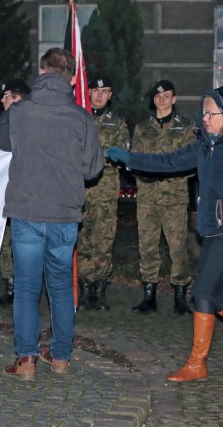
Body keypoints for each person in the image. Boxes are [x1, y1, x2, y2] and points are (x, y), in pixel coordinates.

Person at [106, 84, 223, 382]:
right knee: (215, 295)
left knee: (202, 292)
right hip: (212, 228)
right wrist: (129, 157)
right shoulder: (205, 145)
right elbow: (169, 162)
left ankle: (197, 363)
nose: (205, 117)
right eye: (203, 112)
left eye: (211, 113)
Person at [0, 47, 103, 382]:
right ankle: (60, 358)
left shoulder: (20, 111)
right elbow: (93, 168)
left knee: (26, 287)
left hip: (27, 210)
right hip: (64, 213)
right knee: (59, 287)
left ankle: (26, 359)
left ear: (41, 72)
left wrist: (8, 111)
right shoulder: (81, 117)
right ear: (70, 78)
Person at [129, 79, 196, 315]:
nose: (162, 99)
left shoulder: (186, 128)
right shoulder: (142, 128)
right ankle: (149, 296)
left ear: (174, 99)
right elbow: (134, 159)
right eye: (158, 96)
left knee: (177, 248)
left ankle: (180, 296)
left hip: (174, 197)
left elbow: (191, 163)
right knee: (147, 246)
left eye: (166, 95)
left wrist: (167, 172)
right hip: (147, 196)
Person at [77, 76, 128, 310]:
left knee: (104, 241)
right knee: (82, 240)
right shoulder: (77, 119)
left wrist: (91, 156)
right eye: (95, 90)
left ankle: (99, 289)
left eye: (104, 91)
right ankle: (85, 288)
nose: (99, 95)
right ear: (88, 93)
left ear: (110, 95)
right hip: (79, 191)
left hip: (105, 192)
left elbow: (119, 155)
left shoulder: (117, 123)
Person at [0, 79, 31, 307]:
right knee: (6, 241)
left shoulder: (29, 121)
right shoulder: (5, 120)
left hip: (26, 192)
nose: (2, 101)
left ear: (19, 99)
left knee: (25, 242)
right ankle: (11, 285)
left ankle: (25, 287)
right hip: (5, 190)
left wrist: (13, 111)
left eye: (7, 96)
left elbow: (5, 141)